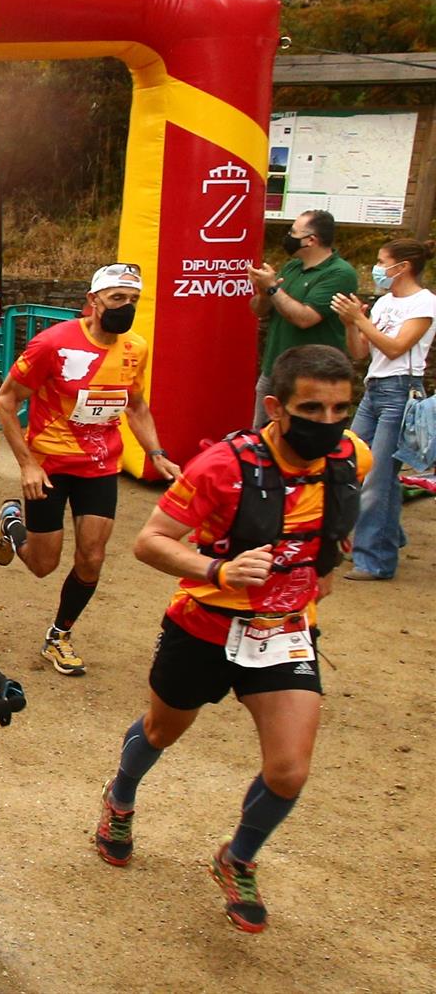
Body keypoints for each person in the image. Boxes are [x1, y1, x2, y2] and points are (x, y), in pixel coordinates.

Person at [94, 345, 368, 935]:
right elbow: (151, 541)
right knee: (164, 729)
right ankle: (120, 797)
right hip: (204, 628)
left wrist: (322, 566)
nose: (328, 423)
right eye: (312, 408)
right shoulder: (222, 466)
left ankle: (236, 858)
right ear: (275, 406)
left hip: (286, 632)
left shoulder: (354, 457)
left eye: (341, 409)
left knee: (289, 771)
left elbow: (330, 530)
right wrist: (217, 572)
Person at [0, 264, 182, 675]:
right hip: (48, 465)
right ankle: (11, 524)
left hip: (99, 465)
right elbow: (6, 401)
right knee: (43, 565)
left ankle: (59, 635)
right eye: (117, 299)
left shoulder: (136, 348)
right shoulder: (53, 345)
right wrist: (25, 464)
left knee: (92, 557)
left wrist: (156, 452)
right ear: (92, 302)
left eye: (133, 300)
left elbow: (136, 405)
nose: (125, 308)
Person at [331, 237, 436, 580]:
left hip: (400, 392)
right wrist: (352, 323)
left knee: (378, 477)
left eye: (381, 261)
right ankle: (385, 539)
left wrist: (359, 321)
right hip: (375, 389)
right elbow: (361, 353)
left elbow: (396, 348)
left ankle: (374, 559)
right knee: (351, 463)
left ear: (402, 267)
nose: (378, 269)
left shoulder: (424, 304)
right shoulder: (384, 302)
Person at [248, 209, 359, 429]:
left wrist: (272, 288)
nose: (288, 236)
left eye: (293, 232)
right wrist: (263, 292)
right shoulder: (292, 267)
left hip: (311, 378)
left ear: (311, 240)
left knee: (303, 440)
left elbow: (305, 318)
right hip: (274, 369)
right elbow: (260, 310)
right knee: (261, 440)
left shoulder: (339, 273)